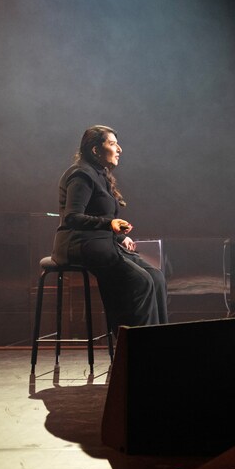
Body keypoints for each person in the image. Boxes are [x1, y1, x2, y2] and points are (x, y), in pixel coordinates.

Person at [52, 125, 167, 329]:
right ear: (96, 150)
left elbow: (100, 218)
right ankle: (134, 343)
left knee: (156, 277)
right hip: (78, 245)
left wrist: (119, 236)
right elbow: (72, 217)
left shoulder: (99, 174)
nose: (119, 149)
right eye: (113, 144)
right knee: (142, 281)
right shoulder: (81, 175)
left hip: (100, 243)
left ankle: (158, 341)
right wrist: (109, 225)